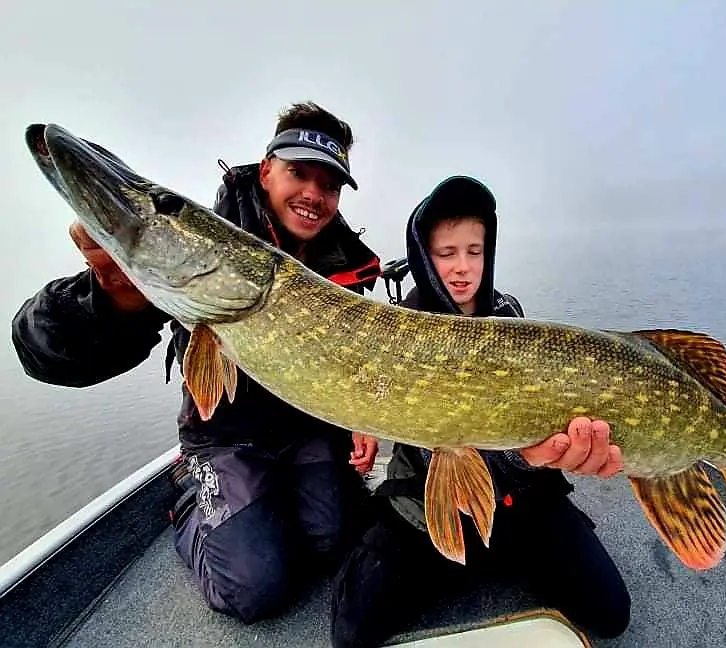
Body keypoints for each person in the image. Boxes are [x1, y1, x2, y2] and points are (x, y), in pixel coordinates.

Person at [10, 102, 384, 624]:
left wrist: (358, 418)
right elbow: (46, 354)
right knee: (254, 588)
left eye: (330, 185)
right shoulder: (209, 248)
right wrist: (113, 294)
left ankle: (273, 505)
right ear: (267, 167)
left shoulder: (349, 263)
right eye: (299, 173)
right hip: (225, 439)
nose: (313, 196)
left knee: (335, 539)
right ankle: (191, 495)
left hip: (307, 434)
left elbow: (360, 368)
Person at [330, 176, 631, 648]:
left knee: (612, 614)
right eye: (447, 253)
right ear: (424, 257)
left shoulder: (509, 315)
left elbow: (525, 429)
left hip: (523, 498)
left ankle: (494, 553)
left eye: (475, 250)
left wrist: (531, 457)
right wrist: (360, 422)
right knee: (352, 631)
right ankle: (466, 557)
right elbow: (366, 382)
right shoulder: (403, 327)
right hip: (426, 501)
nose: (463, 267)